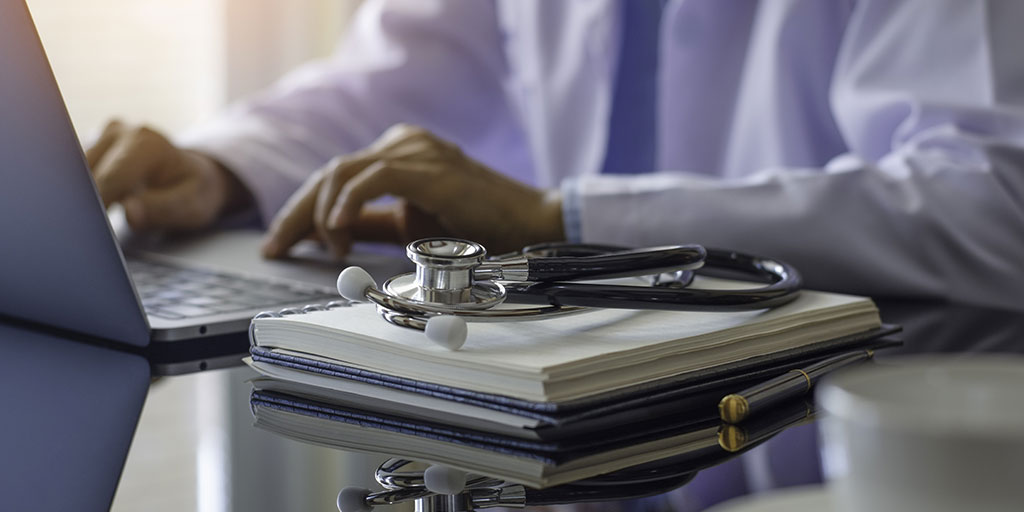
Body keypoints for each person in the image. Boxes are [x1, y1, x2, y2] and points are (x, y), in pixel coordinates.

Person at [86, 0, 1024, 311]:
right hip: (573, 407)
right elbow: (400, 77)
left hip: (859, 428)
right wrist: (224, 167)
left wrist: (564, 224)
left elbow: (994, 200)